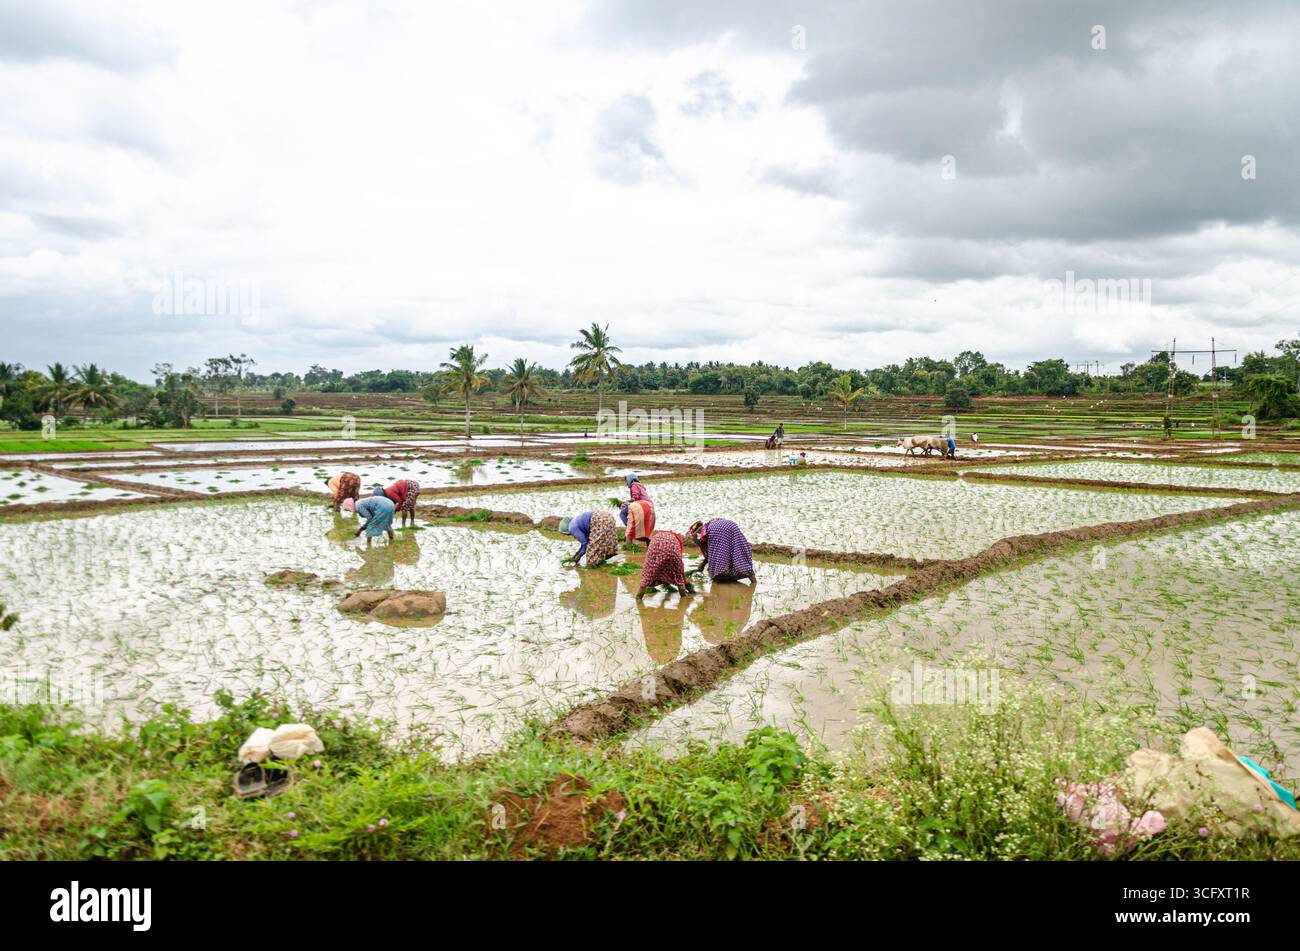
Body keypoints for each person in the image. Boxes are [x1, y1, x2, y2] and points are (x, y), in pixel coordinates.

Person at [688, 518, 756, 583]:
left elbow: (710, 554)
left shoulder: (702, 534)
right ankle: (753, 581)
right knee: (738, 554)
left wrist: (702, 565)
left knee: (717, 563)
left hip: (718, 530)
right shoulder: (711, 523)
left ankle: (718, 579)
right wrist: (702, 565)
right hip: (732, 526)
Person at [636, 530, 693, 599]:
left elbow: (659, 565)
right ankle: (684, 598)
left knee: (646, 577)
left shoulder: (656, 536)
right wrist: (683, 579)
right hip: (672, 552)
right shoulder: (677, 539)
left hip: (655, 548)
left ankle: (638, 598)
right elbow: (679, 565)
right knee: (678, 578)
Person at [619, 474, 655, 544]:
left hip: (642, 504)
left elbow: (635, 498)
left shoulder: (634, 485)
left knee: (622, 513)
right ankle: (648, 543)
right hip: (650, 506)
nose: (627, 484)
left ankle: (631, 529)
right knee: (646, 525)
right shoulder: (640, 485)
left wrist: (625, 502)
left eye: (626, 481)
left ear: (630, 480)